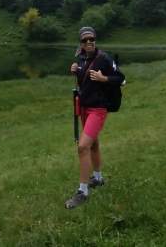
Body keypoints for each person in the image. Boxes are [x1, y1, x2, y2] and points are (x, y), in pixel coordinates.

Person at [65, 26, 125, 209]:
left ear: (95, 40)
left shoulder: (104, 58)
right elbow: (84, 81)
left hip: (98, 109)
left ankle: (82, 192)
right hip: (84, 108)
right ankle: (97, 178)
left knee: (83, 147)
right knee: (94, 144)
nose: (89, 42)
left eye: (91, 39)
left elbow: (121, 79)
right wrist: (76, 71)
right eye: (85, 40)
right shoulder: (81, 58)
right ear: (81, 44)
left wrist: (103, 78)